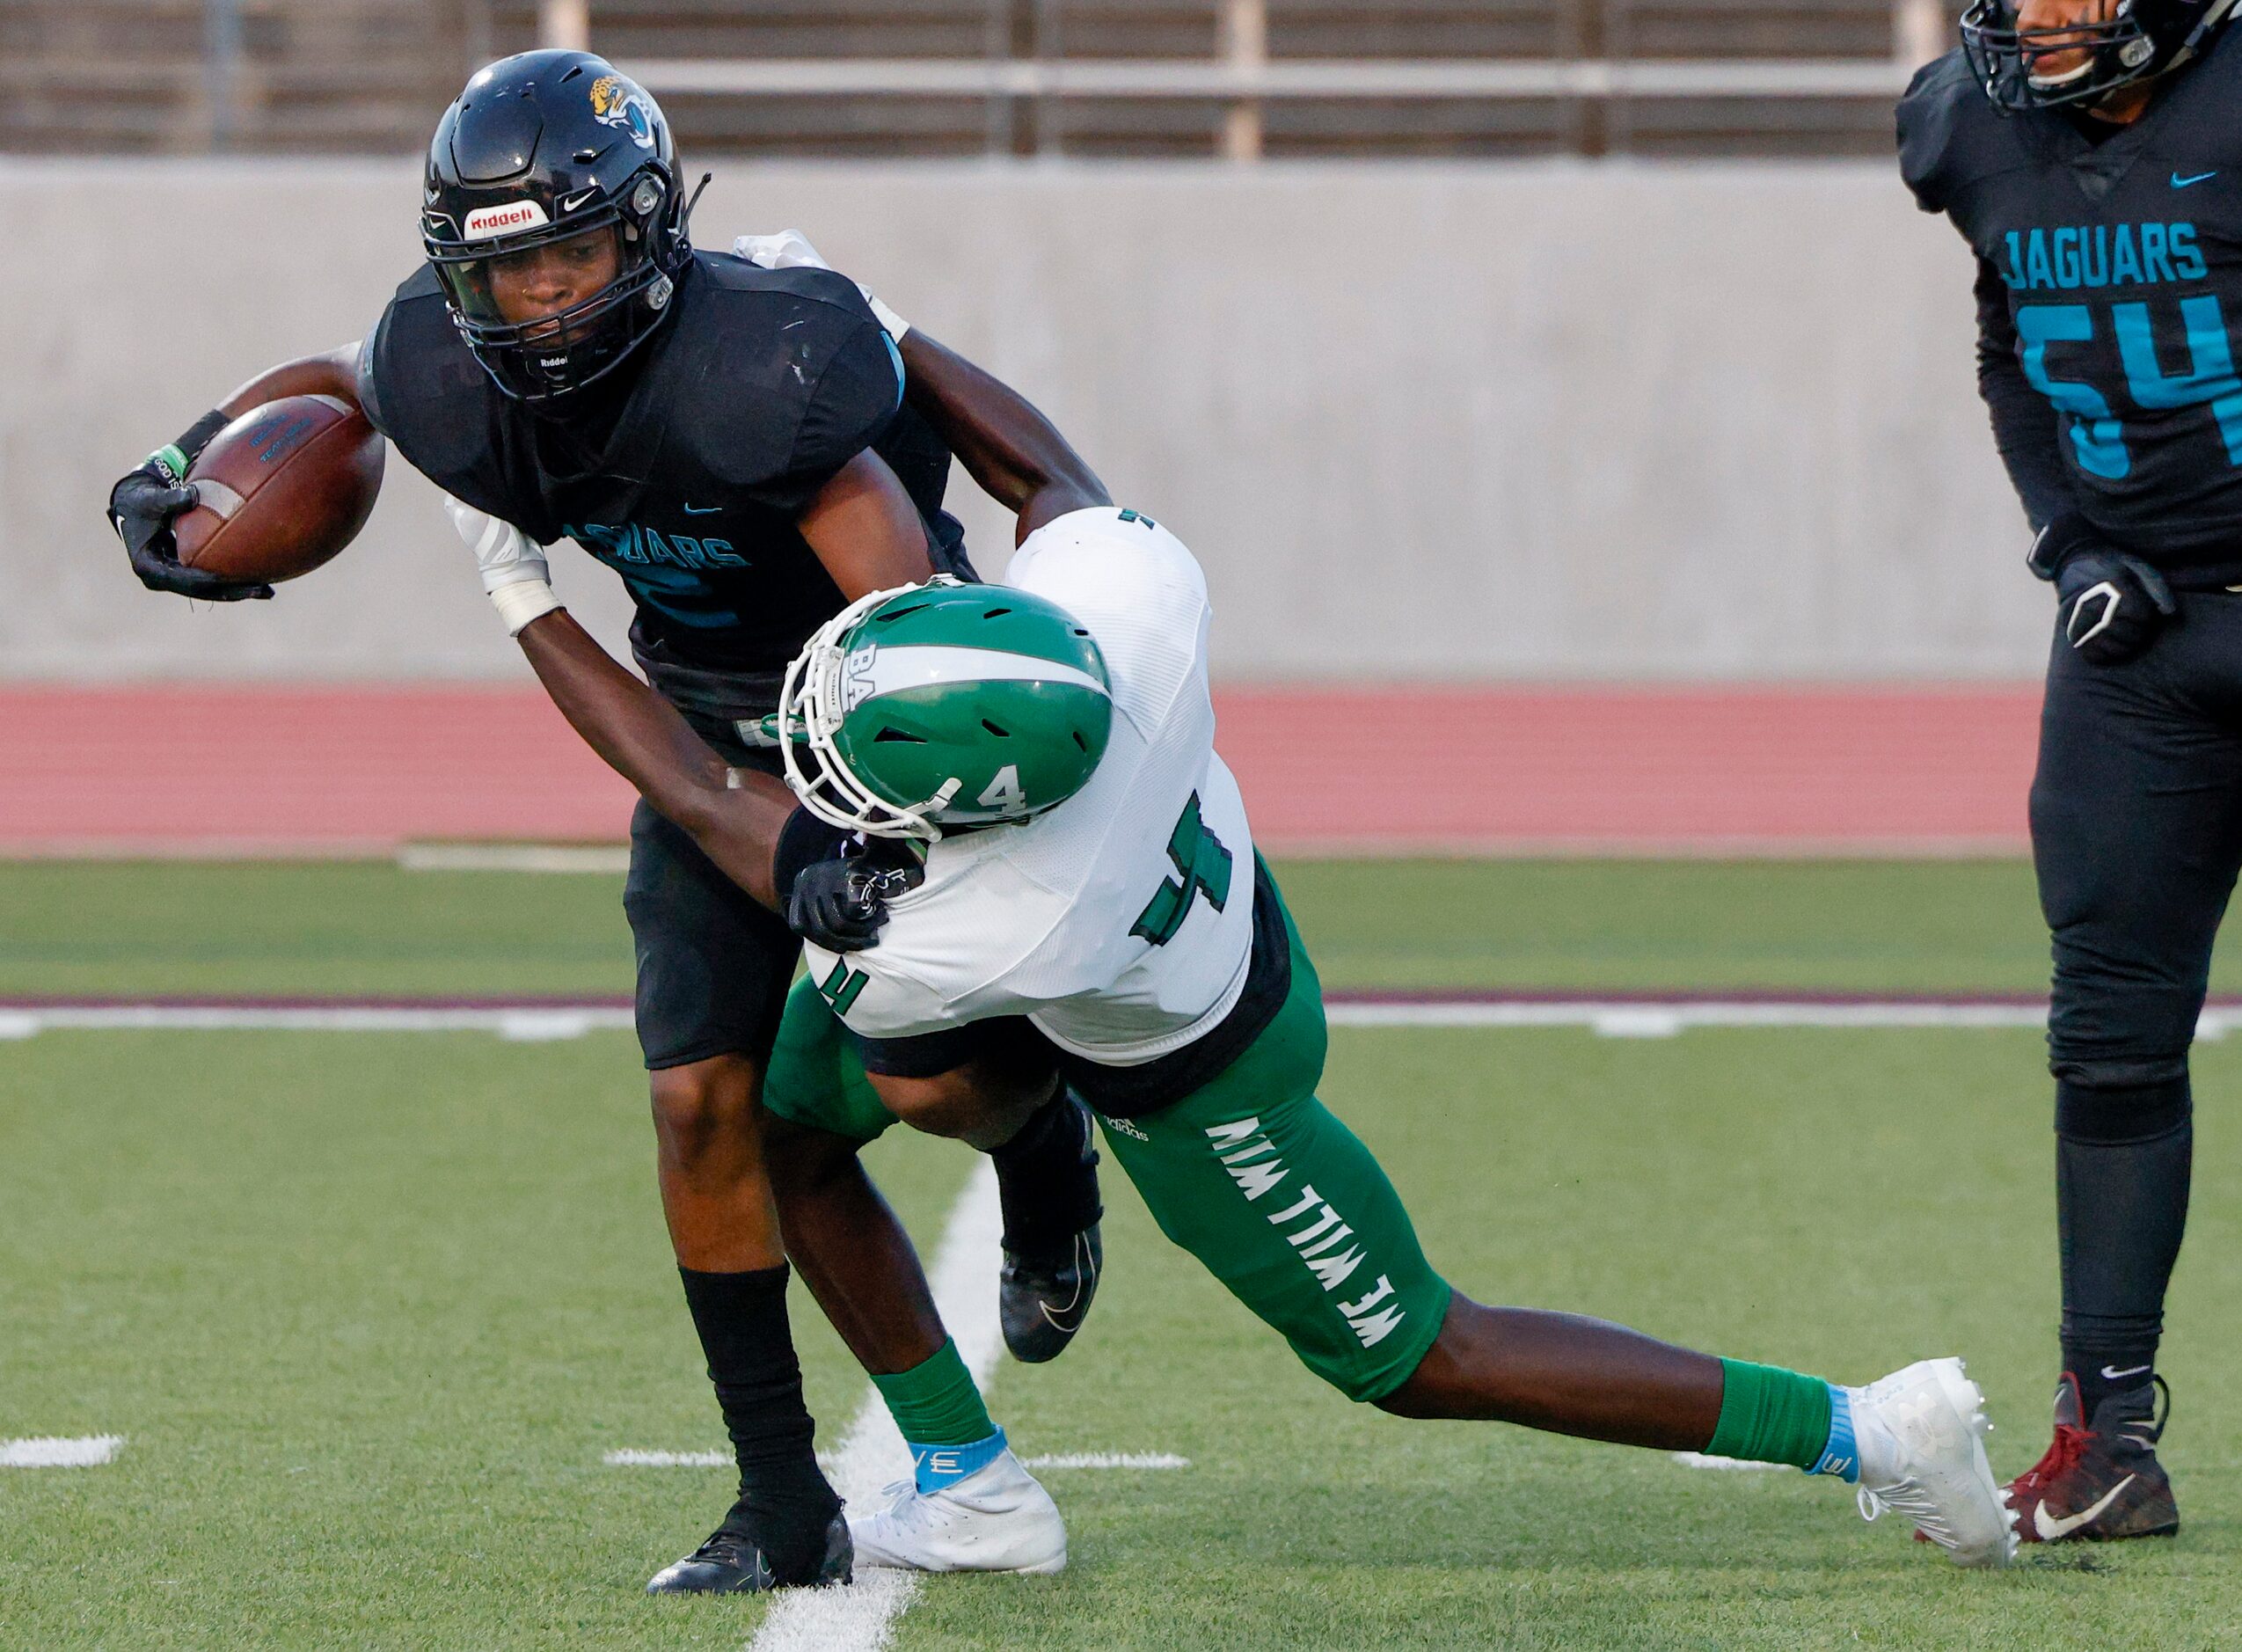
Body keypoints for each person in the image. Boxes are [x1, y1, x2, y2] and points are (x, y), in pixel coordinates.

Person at [456, 234, 2021, 1573]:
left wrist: (527, 595)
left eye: (858, 745)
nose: (823, 752)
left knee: (1415, 1351)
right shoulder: (1116, 613)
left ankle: (1868, 1431)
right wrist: (885, 330)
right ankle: (965, 1481)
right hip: (1190, 885)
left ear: (932, 807)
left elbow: (784, 865)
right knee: (779, 1124)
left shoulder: (964, 929)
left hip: (1192, 1049)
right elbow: (1046, 474)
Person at [101, 51, 1100, 1594]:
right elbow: (370, 406)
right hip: (700, 717)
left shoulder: (769, 353)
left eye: (570, 253)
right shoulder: (454, 377)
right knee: (702, 1106)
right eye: (503, 272)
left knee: (935, 1091)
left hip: (880, 710)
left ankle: (1041, 1146)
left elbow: (895, 608)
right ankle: (782, 1498)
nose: (544, 300)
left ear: (649, 234)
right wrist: (188, 452)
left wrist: (867, 808)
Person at [1898, 0, 2242, 1542]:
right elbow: (2004, 336)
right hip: (2141, 649)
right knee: (2106, 1038)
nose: (2031, 20)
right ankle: (2108, 1437)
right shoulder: (1967, 126)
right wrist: (2068, 535)